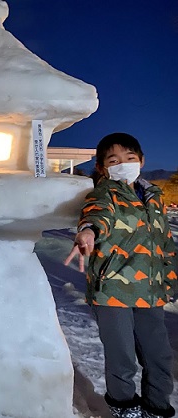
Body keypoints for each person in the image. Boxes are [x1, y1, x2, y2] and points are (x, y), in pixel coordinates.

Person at [64, 133, 176, 418]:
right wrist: (88, 232)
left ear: (141, 160)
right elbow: (95, 215)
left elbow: (164, 242)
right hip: (113, 291)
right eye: (113, 160)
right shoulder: (104, 193)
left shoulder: (154, 197)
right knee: (122, 359)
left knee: (159, 358)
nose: (123, 164)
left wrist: (170, 280)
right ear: (103, 167)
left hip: (151, 291)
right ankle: (124, 410)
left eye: (130, 158)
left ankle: (156, 409)